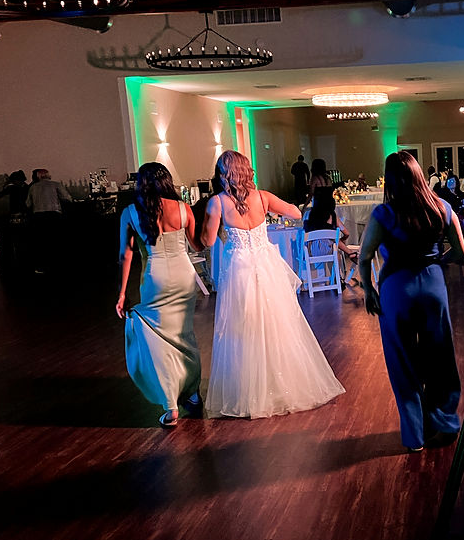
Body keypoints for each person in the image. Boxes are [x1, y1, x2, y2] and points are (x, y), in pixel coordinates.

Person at [201, 150, 345, 418]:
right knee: (276, 324)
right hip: (267, 266)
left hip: (239, 269)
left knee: (242, 328)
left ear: (223, 174)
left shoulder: (217, 203)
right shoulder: (263, 197)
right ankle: (280, 383)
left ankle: (249, 391)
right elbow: (295, 213)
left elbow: (208, 241)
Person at [358, 152, 464, 452]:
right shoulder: (442, 207)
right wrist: (436, 262)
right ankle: (444, 422)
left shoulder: (384, 214)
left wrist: (368, 290)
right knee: (440, 357)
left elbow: (364, 257)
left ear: (391, 180)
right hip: (433, 286)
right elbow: (461, 252)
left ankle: (415, 436)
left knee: (402, 362)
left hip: (396, 289)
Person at [116, 163, 203, 428]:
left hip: (155, 278)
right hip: (184, 275)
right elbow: (197, 245)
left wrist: (122, 293)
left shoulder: (131, 212)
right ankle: (193, 393)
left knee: (158, 340)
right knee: (184, 334)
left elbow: (125, 255)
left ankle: (170, 404)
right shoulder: (183, 208)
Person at [26, 169, 72, 274]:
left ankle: (41, 267)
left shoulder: (33, 187)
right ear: (48, 175)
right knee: (55, 241)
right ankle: (57, 266)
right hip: (53, 215)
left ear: (38, 176)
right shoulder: (56, 184)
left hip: (38, 217)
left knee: (41, 243)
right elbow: (68, 198)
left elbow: (28, 204)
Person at [304, 186, 358, 262]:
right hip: (329, 250)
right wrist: (342, 239)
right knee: (333, 241)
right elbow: (347, 233)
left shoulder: (307, 214)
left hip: (311, 250)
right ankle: (348, 254)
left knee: (331, 240)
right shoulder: (332, 216)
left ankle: (349, 252)